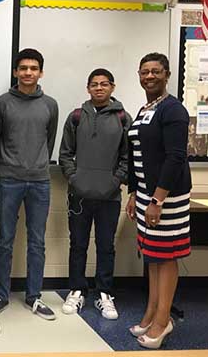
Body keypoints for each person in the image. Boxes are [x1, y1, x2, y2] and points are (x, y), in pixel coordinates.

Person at [0, 48, 58, 320]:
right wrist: (6, 166)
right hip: (9, 180)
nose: (28, 72)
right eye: (23, 68)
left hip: (40, 182)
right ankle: (1, 295)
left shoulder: (50, 104)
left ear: (40, 72)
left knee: (37, 241)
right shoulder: (2, 102)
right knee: (5, 239)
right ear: (16, 72)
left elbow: (48, 141)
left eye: (33, 68)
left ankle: (34, 296)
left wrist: (37, 164)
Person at [126, 53, 191, 349]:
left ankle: (164, 321)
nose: (149, 76)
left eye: (155, 71)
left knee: (166, 257)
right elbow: (137, 155)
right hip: (145, 196)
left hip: (166, 197)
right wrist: (134, 193)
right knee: (153, 256)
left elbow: (176, 156)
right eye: (144, 71)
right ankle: (152, 313)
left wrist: (157, 199)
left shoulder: (173, 109)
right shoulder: (145, 109)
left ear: (166, 74)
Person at [58, 68, 132, 319]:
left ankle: (104, 294)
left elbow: (127, 156)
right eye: (94, 84)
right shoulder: (76, 116)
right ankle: (77, 290)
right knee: (77, 244)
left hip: (109, 196)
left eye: (104, 84)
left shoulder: (123, 118)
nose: (99, 88)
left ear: (112, 87)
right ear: (87, 88)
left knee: (105, 246)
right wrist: (74, 178)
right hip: (79, 194)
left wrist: (117, 180)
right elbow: (65, 154)